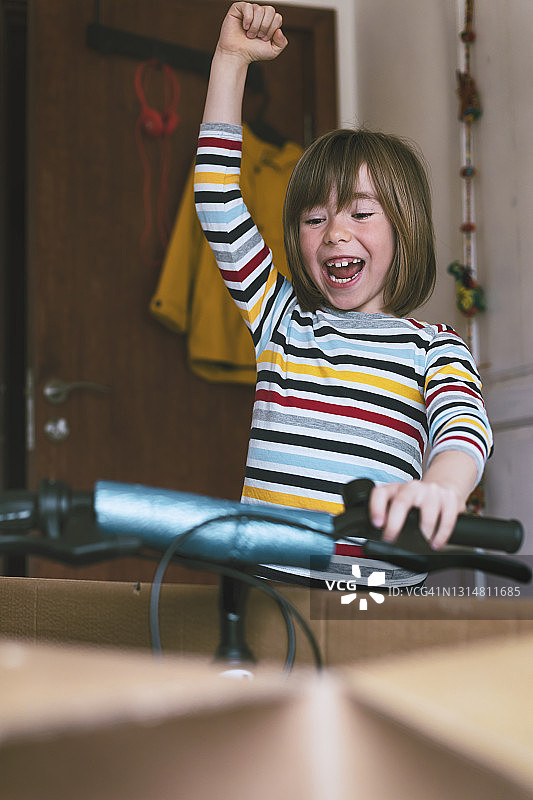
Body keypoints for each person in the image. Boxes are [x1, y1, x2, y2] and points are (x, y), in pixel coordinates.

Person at [194, 3, 493, 585]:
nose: (335, 232)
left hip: (370, 593)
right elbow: (217, 199)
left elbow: (464, 427)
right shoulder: (279, 318)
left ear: (404, 228)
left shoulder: (433, 348)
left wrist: (441, 487)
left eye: (361, 212)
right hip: (264, 585)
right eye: (314, 218)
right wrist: (231, 59)